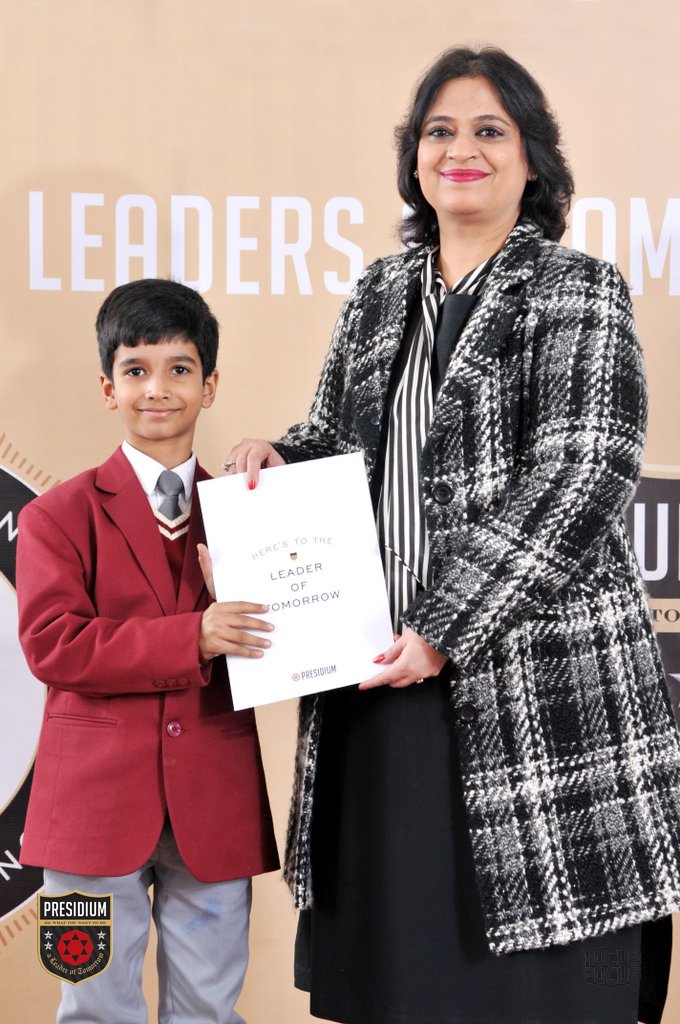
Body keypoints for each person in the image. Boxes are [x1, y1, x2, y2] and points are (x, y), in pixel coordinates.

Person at [223, 46, 680, 1024]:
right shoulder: (377, 293)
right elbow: (337, 438)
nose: (459, 149)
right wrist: (278, 456)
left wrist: (442, 627)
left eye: (487, 130)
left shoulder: (577, 288)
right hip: (373, 678)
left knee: (530, 991)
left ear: (531, 159)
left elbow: (581, 473)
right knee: (397, 975)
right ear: (414, 159)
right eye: (439, 131)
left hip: (526, 683)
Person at [16, 279, 279, 1024]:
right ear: (109, 389)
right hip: (89, 815)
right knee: (91, 1005)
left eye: (179, 369)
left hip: (214, 805)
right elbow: (54, 645)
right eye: (136, 370)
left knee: (207, 1010)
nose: (157, 388)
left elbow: (291, 635)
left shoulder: (253, 516)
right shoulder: (56, 515)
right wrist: (193, 635)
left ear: (210, 385)